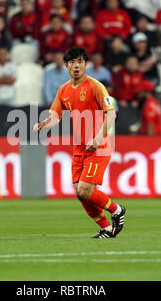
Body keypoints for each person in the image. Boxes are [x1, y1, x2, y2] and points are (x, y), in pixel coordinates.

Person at [33, 47, 126, 239]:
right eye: (73, 62)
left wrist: (98, 138)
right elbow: (56, 116)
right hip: (79, 148)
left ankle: (117, 210)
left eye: (81, 62)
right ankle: (107, 228)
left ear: (86, 64)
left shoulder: (96, 86)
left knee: (85, 190)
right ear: (66, 65)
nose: (77, 66)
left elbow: (111, 114)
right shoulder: (63, 90)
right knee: (79, 192)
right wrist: (45, 122)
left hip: (99, 147)